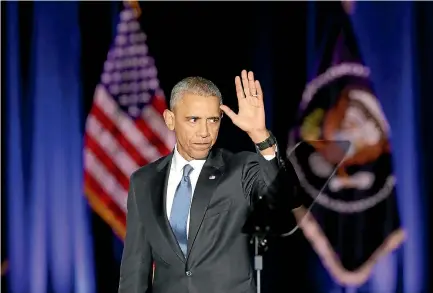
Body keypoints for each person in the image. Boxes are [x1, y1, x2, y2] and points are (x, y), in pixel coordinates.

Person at [118, 70, 299, 293]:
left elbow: (285, 198)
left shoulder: (240, 169)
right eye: (193, 120)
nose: (205, 132)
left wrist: (261, 136)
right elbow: (135, 267)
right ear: (170, 119)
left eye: (213, 120)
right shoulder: (143, 181)